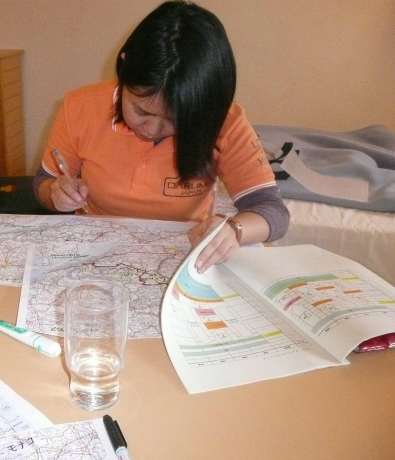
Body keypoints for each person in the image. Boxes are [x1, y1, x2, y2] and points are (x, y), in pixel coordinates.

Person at [33, 0, 289, 273]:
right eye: (141, 110)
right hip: (94, 249)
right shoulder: (80, 107)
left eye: (175, 119)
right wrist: (55, 194)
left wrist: (234, 229)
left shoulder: (225, 122)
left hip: (181, 254)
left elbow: (273, 211)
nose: (152, 129)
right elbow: (42, 183)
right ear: (124, 68)